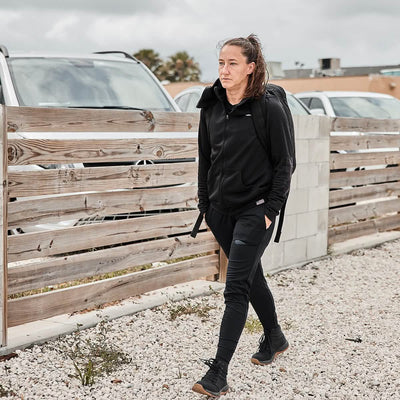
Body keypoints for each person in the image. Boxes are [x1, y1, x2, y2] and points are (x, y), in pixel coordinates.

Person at [190, 34, 296, 397]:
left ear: (252, 68)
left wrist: (270, 210)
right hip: (220, 211)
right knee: (250, 277)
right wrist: (205, 204)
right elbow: (206, 157)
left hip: (255, 211)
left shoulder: (269, 108)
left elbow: (285, 164)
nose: (224, 69)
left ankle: (218, 373)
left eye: (233, 63)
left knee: (235, 288)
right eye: (221, 62)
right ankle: (275, 338)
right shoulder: (212, 106)